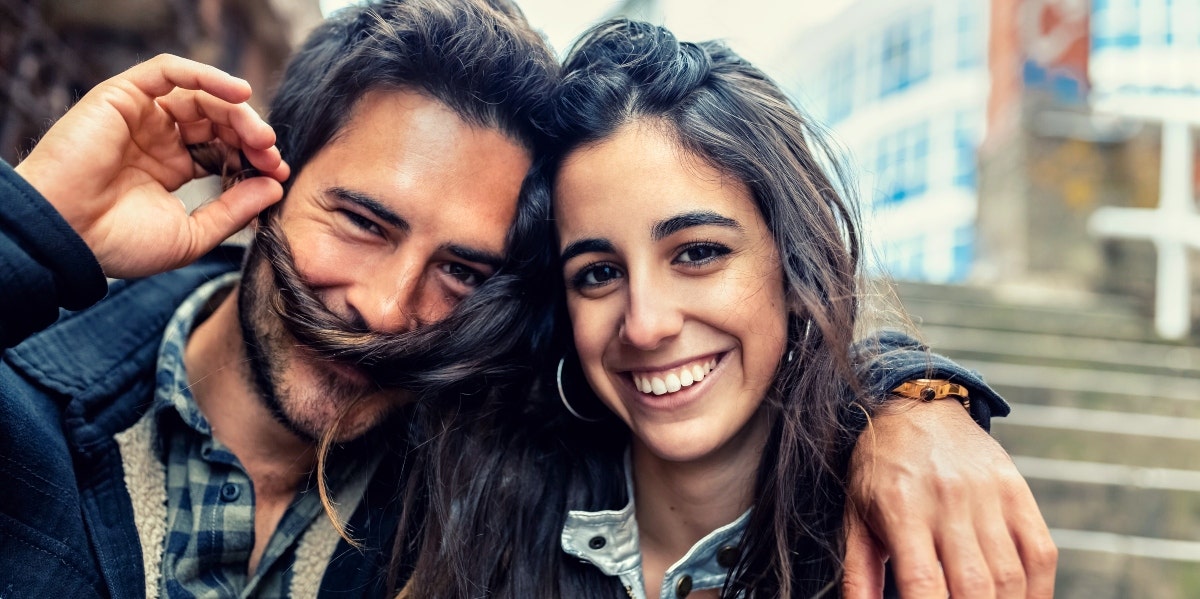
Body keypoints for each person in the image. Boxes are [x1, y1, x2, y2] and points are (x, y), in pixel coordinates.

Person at [0, 1, 1052, 597]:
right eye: (361, 220)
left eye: (462, 268)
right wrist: (34, 229)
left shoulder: (473, 454)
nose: (388, 302)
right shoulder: (25, 404)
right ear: (260, 184)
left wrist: (910, 405)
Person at [396, 18, 1056, 599]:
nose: (647, 323)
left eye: (698, 252)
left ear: (791, 262)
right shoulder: (475, 509)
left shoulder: (898, 550)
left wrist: (917, 397)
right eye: (598, 273)